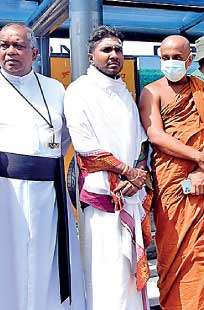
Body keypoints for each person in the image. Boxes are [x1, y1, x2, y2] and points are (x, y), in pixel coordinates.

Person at [139, 34, 204, 310]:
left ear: (189, 60)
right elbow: (155, 135)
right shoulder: (152, 91)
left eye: (177, 58)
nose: (171, 63)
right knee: (175, 252)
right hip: (172, 187)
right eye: (165, 58)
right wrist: (199, 158)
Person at [64, 25, 151, 309]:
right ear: (91, 56)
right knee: (105, 279)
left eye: (118, 49)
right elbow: (86, 149)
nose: (114, 55)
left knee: (128, 281)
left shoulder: (124, 92)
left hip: (131, 197)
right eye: (106, 50)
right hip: (102, 201)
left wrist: (138, 176)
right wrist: (129, 173)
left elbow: (140, 141)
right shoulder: (78, 91)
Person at [0, 23, 85, 310]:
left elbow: (63, 138)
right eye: (4, 45)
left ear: (35, 52)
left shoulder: (54, 88)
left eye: (18, 46)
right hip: (5, 191)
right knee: (8, 261)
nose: (10, 51)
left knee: (42, 259)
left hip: (48, 192)